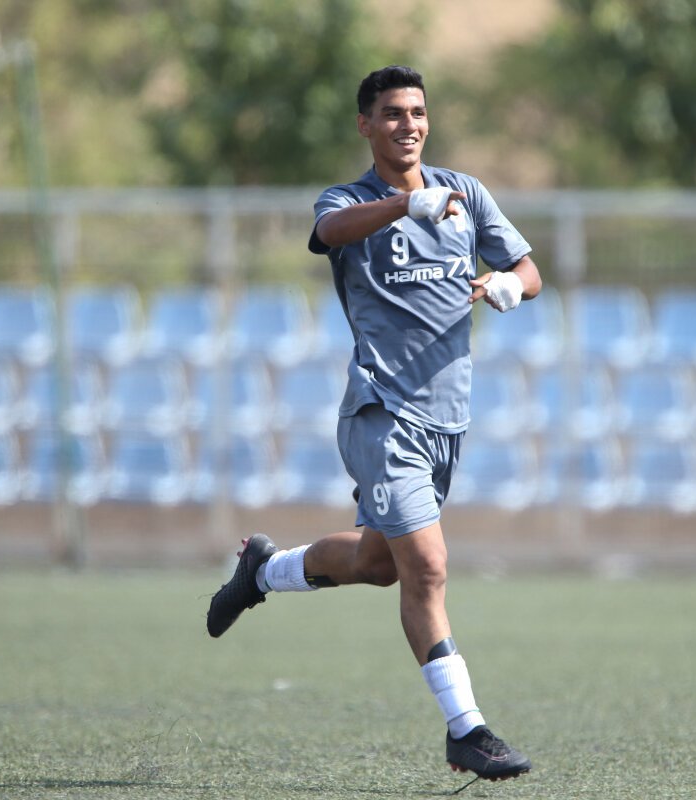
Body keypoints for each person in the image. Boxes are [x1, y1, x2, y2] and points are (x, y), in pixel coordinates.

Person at [205, 65, 541, 783]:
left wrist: (511, 284)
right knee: (429, 567)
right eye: (391, 113)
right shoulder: (349, 201)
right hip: (381, 414)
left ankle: (264, 571)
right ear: (365, 125)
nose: (407, 124)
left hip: (447, 421)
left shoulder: (467, 193)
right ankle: (466, 730)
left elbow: (528, 268)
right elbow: (328, 232)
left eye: (417, 112)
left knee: (379, 565)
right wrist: (404, 206)